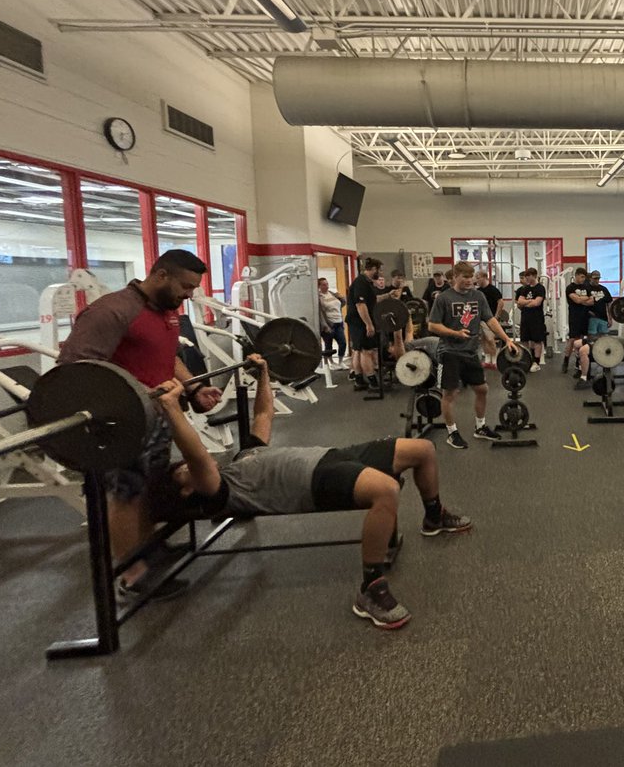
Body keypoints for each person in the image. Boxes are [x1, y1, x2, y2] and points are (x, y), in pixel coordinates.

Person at [153, 354, 471, 630]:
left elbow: (264, 414)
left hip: (333, 455)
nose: (186, 465)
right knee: (386, 489)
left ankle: (433, 516)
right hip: (313, 482)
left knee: (423, 449)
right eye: (181, 469)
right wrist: (172, 409)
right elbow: (195, 454)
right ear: (185, 490)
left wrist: (262, 374)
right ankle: (370, 589)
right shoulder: (217, 491)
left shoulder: (242, 458)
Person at [56, 249, 223, 602]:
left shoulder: (167, 311)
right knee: (127, 492)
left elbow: (167, 358)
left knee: (150, 486)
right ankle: (131, 576)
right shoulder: (112, 311)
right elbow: (77, 368)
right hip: (121, 422)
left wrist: (194, 388)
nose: (189, 294)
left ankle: (148, 551)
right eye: (186, 286)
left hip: (157, 417)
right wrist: (138, 393)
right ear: (161, 275)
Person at [427, 261, 521, 449]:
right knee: (450, 393)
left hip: (470, 352)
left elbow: (490, 320)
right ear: (455, 277)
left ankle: (480, 427)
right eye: (465, 277)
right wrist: (455, 333)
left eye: (472, 277)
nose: (470, 281)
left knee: (482, 389)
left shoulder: (478, 296)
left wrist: (507, 339)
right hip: (449, 352)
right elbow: (432, 325)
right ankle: (452, 432)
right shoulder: (444, 298)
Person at [345, 257, 382, 392]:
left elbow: (371, 300)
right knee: (366, 351)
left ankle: (359, 381)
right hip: (360, 322)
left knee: (358, 350)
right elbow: (360, 304)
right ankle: (373, 382)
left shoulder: (366, 282)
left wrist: (388, 295)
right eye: (379, 269)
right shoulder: (361, 282)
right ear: (373, 269)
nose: (379, 272)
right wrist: (369, 324)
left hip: (357, 322)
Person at [513, 268, 547, 370]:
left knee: (537, 341)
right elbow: (519, 302)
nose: (526, 278)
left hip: (536, 319)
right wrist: (530, 302)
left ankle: (536, 363)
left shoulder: (540, 288)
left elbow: (537, 303)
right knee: (524, 340)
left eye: (528, 276)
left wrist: (526, 302)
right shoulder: (525, 288)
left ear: (534, 276)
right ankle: (527, 360)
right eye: (525, 276)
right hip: (525, 318)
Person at [563, 267, 593, 376]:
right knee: (572, 340)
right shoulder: (570, 288)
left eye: (584, 277)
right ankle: (566, 360)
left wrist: (581, 299)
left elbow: (591, 301)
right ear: (576, 275)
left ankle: (578, 364)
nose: (583, 279)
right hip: (574, 317)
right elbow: (577, 300)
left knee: (582, 341)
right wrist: (583, 299)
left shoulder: (586, 286)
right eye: (582, 277)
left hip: (585, 317)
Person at [475, 270, 505, 369]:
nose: (477, 279)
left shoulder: (493, 290)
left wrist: (496, 316)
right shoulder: (478, 291)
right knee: (483, 339)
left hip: (490, 318)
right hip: (480, 318)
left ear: (484, 277)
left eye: (478, 277)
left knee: (490, 339)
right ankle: (488, 359)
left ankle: (495, 359)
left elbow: (500, 302)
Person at [317, 277, 347, 367]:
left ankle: (341, 361)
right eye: (323, 284)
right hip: (329, 323)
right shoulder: (319, 297)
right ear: (319, 286)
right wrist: (325, 325)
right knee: (328, 344)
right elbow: (320, 312)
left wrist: (341, 297)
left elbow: (342, 303)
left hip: (339, 321)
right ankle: (330, 362)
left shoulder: (332, 293)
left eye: (327, 284)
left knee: (343, 343)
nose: (326, 286)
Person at [588, 270, 613, 338]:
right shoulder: (586, 288)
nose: (597, 280)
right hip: (591, 318)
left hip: (603, 318)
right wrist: (588, 312)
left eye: (598, 278)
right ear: (590, 278)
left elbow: (609, 303)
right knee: (592, 338)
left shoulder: (603, 289)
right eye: (595, 278)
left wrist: (610, 318)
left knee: (604, 338)